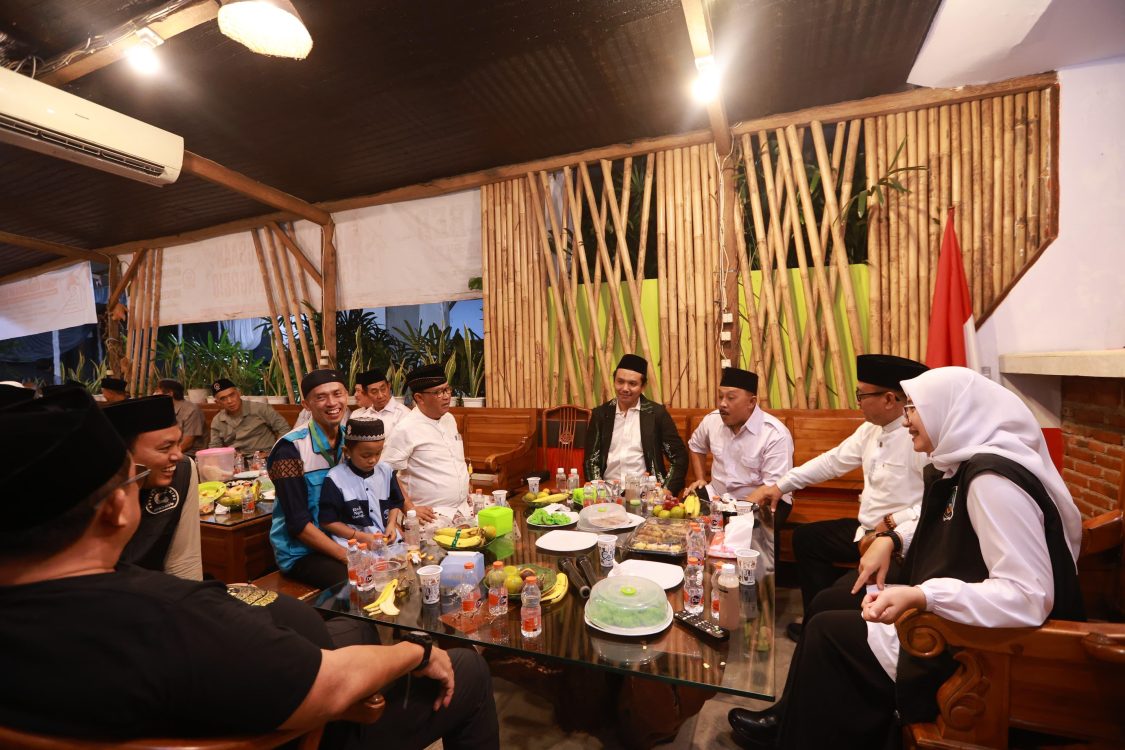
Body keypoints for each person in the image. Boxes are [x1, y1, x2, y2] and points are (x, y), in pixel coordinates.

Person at [0, 387, 500, 749]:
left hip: (231, 679)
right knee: (469, 670)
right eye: (133, 478)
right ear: (117, 509)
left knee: (352, 627)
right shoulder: (175, 617)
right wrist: (414, 652)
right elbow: (327, 686)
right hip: (300, 725)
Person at [728, 367, 1084, 750]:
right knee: (827, 611)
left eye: (914, 408)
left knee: (828, 633)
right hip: (958, 622)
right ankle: (791, 723)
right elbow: (942, 524)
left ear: (950, 412)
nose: (907, 418)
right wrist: (894, 538)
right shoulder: (961, 466)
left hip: (983, 649)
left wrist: (923, 596)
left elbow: (1028, 595)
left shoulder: (992, 481)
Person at [743, 354, 929, 642]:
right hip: (865, 531)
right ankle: (816, 619)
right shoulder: (870, 430)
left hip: (899, 544)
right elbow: (832, 462)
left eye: (861, 395)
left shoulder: (918, 438)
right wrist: (779, 487)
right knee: (807, 538)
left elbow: (935, 503)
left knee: (829, 600)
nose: (858, 402)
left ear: (889, 399)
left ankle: (824, 622)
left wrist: (895, 522)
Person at [683, 367, 794, 563]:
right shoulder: (712, 421)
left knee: (754, 533)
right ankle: (697, 569)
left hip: (766, 499)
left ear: (751, 402)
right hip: (719, 495)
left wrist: (735, 515)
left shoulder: (774, 434)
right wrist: (700, 478)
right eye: (720, 397)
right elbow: (696, 445)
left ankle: (762, 578)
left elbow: (771, 488)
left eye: (731, 398)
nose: (722, 404)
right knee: (686, 514)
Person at [267, 369, 353, 589]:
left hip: (344, 539)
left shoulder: (351, 440)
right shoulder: (289, 450)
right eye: (321, 397)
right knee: (356, 580)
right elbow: (298, 524)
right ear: (306, 404)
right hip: (302, 552)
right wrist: (349, 557)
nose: (332, 403)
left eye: (337, 394)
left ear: (347, 396)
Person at [104, 395, 203, 580]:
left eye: (178, 443)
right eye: (165, 448)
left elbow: (184, 560)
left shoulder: (183, 470)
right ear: (124, 454)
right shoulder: (98, 487)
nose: (178, 455)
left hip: (158, 589)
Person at [583, 354, 688, 494]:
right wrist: (598, 491)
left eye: (632, 384)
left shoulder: (657, 414)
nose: (625, 388)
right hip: (608, 492)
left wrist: (667, 490)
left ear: (643, 386)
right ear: (614, 381)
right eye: (620, 382)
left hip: (647, 493)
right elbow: (591, 460)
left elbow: (679, 457)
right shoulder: (600, 414)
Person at [381, 364, 466, 518]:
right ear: (419, 398)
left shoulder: (449, 419)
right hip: (429, 516)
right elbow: (385, 471)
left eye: (447, 389)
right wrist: (409, 507)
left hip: (462, 509)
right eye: (438, 392)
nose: (446, 396)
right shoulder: (406, 428)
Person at [320, 418, 417, 546]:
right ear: (347, 452)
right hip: (353, 545)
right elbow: (327, 521)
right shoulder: (335, 478)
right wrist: (360, 537)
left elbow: (395, 502)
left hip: (387, 540)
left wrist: (391, 524)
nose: (373, 460)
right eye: (366, 456)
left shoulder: (386, 471)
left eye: (378, 453)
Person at [209, 377, 291, 454]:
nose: (230, 401)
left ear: (239, 393)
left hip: (265, 457)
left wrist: (274, 453)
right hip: (234, 460)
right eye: (223, 399)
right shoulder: (217, 421)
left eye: (232, 395)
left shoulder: (260, 408)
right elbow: (215, 447)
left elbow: (284, 429)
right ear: (217, 403)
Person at [351, 368, 410, 435]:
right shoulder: (363, 416)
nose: (380, 396)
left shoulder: (403, 414)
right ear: (366, 394)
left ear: (389, 386)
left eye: (383, 389)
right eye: (374, 392)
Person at [154, 378, 204, 454]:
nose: (154, 394)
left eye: (157, 391)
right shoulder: (163, 409)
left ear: (169, 393)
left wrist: (165, 455)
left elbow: (187, 443)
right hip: (170, 452)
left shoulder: (191, 410)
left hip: (190, 454)